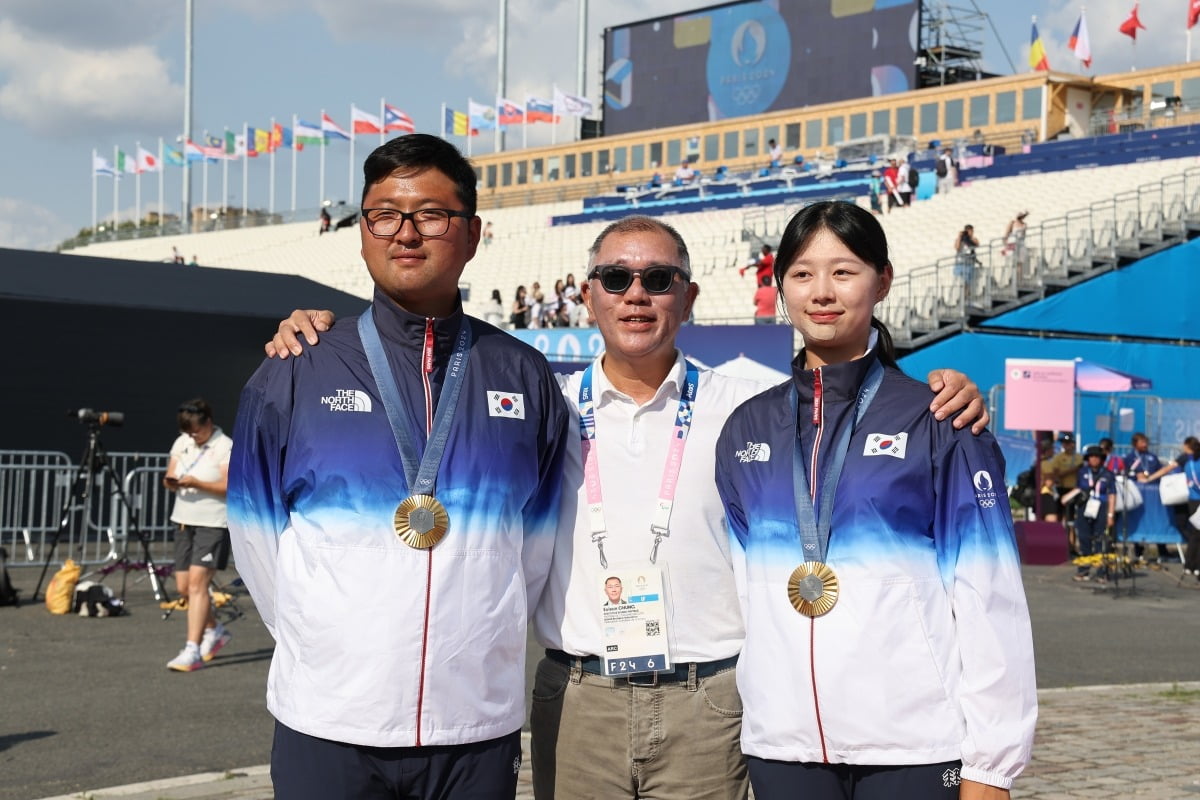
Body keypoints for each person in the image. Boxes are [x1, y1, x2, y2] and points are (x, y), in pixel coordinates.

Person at [263, 214, 991, 800]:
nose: (636, 293)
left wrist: (942, 388)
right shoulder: (542, 402)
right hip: (580, 698)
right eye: (616, 278)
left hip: (708, 703)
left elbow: (843, 405)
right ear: (588, 296)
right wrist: (323, 333)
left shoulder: (746, 410)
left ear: (690, 296)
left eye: (657, 278)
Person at [227, 134, 570, 800]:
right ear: (362, 232)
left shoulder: (523, 376)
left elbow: (533, 551)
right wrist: (326, 642)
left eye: (432, 215)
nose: (406, 233)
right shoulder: (297, 367)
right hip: (328, 724)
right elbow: (257, 542)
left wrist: (477, 631)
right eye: (384, 214)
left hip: (474, 728)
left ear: (472, 234)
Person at [714, 201, 1036, 799]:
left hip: (913, 745)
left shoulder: (940, 417)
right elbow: (744, 592)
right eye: (803, 274)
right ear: (781, 287)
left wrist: (992, 766)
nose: (822, 292)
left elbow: (991, 597)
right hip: (782, 746)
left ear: (882, 281)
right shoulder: (745, 429)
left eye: (844, 271)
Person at [163, 398, 234, 672]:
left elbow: (229, 485)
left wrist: (198, 483)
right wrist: (173, 482)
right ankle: (215, 630)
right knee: (183, 588)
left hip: (212, 523)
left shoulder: (224, 445)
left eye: (196, 431)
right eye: (188, 432)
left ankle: (192, 648)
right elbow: (170, 474)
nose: (193, 436)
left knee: (197, 585)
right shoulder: (182, 442)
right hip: (183, 520)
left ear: (208, 422)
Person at [1142, 436, 1200, 579]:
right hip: (1193, 500)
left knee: (1196, 534)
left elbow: (1167, 468)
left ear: (1187, 446)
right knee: (1195, 534)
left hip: (1195, 501)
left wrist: (1150, 478)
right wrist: (1150, 478)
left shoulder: (1188, 459)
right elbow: (1169, 468)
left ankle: (1191, 565)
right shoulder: (1186, 458)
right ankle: (1193, 565)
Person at [1070, 446, 1118, 582]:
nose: (1094, 459)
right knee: (1084, 538)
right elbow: (1078, 488)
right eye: (1091, 456)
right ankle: (1083, 569)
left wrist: (1110, 514)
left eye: (1097, 457)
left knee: (1100, 540)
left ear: (1102, 459)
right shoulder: (1082, 472)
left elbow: (1112, 494)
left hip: (1101, 507)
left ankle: (1102, 571)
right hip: (1085, 507)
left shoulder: (1108, 474)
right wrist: (1066, 498)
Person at [954, 224, 980, 294]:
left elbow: (977, 245)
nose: (970, 232)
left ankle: (966, 294)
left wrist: (969, 238)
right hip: (960, 262)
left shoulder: (974, 239)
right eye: (968, 231)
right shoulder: (960, 239)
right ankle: (960, 295)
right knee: (958, 279)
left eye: (971, 231)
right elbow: (957, 248)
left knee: (967, 280)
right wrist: (960, 237)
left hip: (969, 263)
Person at [1003, 211, 1029, 279]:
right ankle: (1012, 278)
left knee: (1020, 262)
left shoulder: (1024, 224)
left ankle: (1019, 279)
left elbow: (1023, 235)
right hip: (1012, 242)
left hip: (1020, 243)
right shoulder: (1012, 223)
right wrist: (1005, 245)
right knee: (1013, 260)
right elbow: (1006, 234)